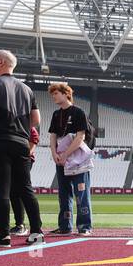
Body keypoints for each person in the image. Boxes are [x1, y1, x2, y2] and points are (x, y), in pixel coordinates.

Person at [0, 50, 42, 247]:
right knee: (25, 188)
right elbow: (36, 120)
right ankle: (37, 232)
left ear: (2, 62)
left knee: (1, 190)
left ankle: (4, 236)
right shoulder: (26, 89)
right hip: (21, 142)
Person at [47, 82, 93, 235]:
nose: (53, 96)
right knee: (64, 193)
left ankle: (84, 226)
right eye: (52, 94)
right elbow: (53, 135)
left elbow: (81, 136)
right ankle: (65, 226)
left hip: (78, 159)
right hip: (61, 159)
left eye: (56, 93)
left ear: (66, 93)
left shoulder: (78, 112)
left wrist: (66, 154)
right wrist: (54, 154)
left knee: (81, 193)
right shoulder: (55, 114)